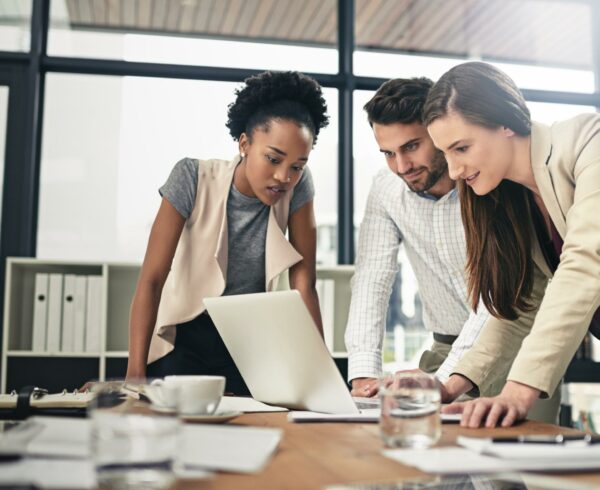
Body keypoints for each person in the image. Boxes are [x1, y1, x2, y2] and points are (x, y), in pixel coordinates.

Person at [126, 71, 329, 395]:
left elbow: (304, 282)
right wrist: (134, 376)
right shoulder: (191, 176)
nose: (283, 177)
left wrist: (323, 374)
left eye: (297, 165)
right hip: (183, 337)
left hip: (246, 342)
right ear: (245, 143)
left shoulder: (299, 187)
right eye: (273, 158)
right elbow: (152, 279)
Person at [423, 61, 600, 428]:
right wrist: (449, 384)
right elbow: (521, 308)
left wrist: (518, 391)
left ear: (505, 123)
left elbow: (587, 262)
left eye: (462, 148)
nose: (454, 171)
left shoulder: (587, 141)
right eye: (446, 155)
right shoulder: (514, 200)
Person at [345, 77, 502, 400]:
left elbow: (496, 297)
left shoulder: (487, 183)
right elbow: (371, 279)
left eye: (411, 147)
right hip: (443, 347)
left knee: (521, 447)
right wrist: (363, 373)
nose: (402, 167)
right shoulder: (386, 189)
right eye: (388, 153)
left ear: (438, 131)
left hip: (511, 349)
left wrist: (445, 380)